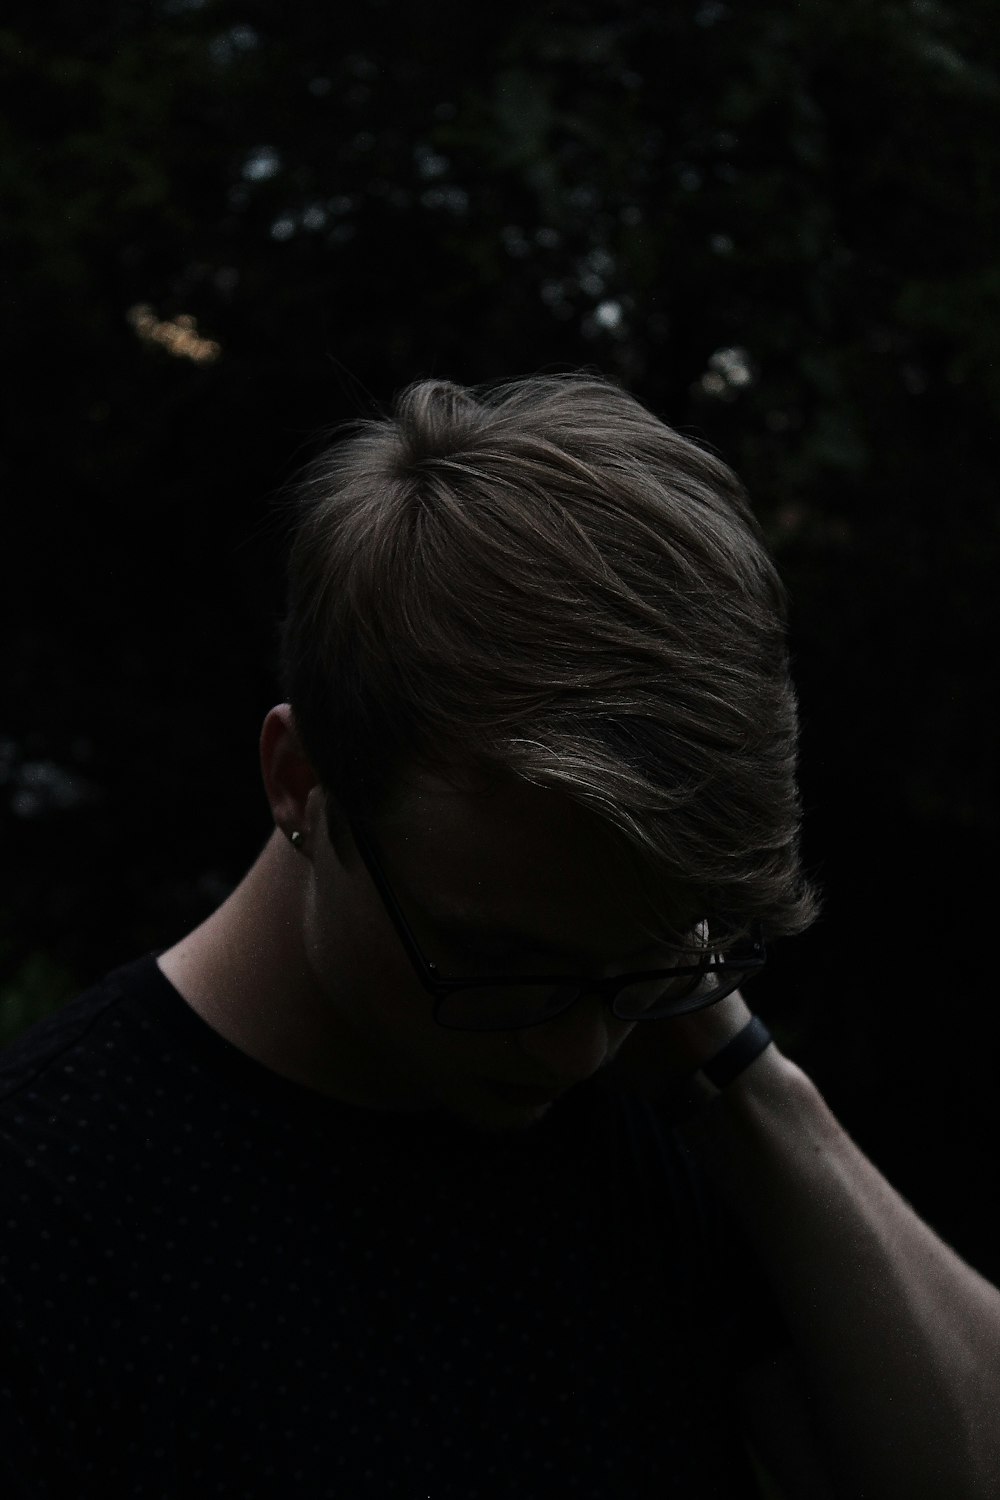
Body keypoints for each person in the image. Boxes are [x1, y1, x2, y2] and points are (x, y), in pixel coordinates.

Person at [1, 375, 996, 1499]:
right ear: (300, 782)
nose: (573, 1051)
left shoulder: (670, 1108)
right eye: (496, 962)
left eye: (636, 966)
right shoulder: (45, 1214)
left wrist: (743, 1077)